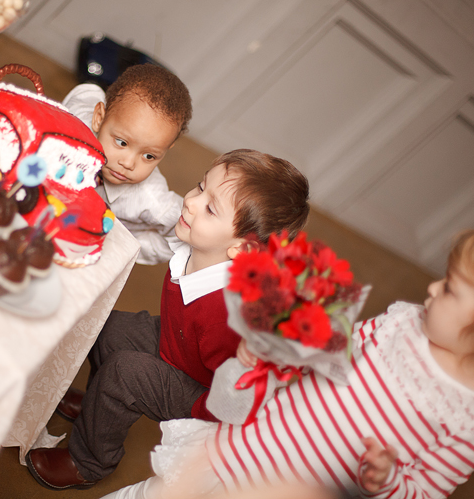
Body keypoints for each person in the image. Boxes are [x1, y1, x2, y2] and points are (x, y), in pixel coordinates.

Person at [100, 229, 474, 499]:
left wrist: (386, 481)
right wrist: (284, 344)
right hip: (240, 447)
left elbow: (425, 491)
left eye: (450, 288)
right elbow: (330, 353)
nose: (432, 287)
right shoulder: (402, 322)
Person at [25, 149, 311, 490]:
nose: (191, 201)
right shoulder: (197, 245)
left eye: (210, 208)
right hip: (179, 346)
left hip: (205, 396)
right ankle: (97, 409)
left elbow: (235, 396)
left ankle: (89, 462)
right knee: (107, 329)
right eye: (200, 187)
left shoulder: (230, 316)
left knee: (124, 374)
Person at [61, 64, 192, 265]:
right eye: (121, 143)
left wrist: (120, 247)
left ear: (166, 150)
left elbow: (182, 241)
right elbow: (85, 93)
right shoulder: (77, 120)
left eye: (149, 156)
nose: (128, 163)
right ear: (98, 118)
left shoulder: (153, 200)